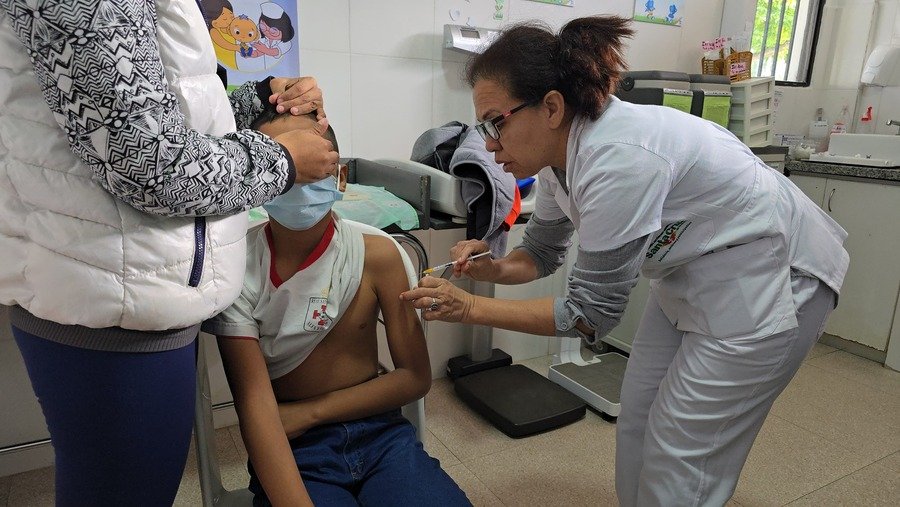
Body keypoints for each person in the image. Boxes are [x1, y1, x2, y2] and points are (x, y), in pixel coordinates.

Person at [400, 16, 849, 507]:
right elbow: (542, 253)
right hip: (689, 272)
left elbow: (588, 316)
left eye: (494, 123)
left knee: (683, 447)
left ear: (551, 107)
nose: (487, 144)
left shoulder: (619, 157)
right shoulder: (557, 160)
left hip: (774, 274)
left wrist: (468, 308)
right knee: (638, 416)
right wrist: (492, 270)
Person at [0, 0, 339, 505]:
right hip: (109, 302)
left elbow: (160, 110)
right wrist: (283, 160)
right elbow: (150, 163)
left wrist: (258, 100)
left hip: (128, 286)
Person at [204, 111, 471, 506]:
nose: (298, 179)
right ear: (259, 179)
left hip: (382, 438)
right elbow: (256, 408)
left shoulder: (378, 256)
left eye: (312, 166)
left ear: (339, 176)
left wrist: (312, 411)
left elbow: (415, 378)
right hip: (294, 447)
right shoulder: (237, 270)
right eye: (285, 163)